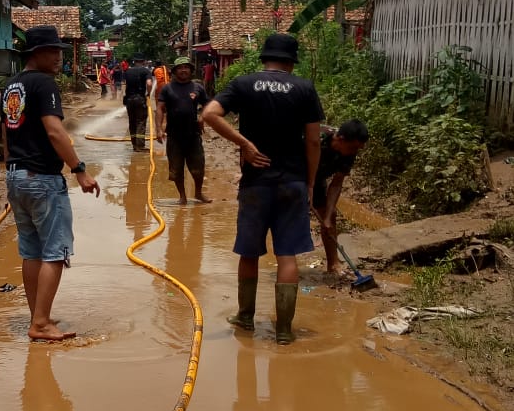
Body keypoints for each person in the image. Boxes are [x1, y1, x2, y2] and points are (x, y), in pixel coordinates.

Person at [202, 33, 323, 344]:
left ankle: (245, 317)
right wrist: (310, 182)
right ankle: (284, 330)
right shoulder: (305, 88)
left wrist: (244, 144)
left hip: (256, 183)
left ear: (265, 57)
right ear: (291, 61)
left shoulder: (243, 84)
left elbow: (209, 114)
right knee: (287, 256)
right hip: (292, 182)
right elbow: (313, 140)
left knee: (249, 252)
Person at [2, 25, 100, 343]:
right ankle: (41, 324)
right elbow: (55, 132)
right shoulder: (44, 84)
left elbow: (7, 132)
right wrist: (80, 170)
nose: (59, 56)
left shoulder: (11, 85)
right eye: (53, 51)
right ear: (37, 54)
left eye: (60, 50)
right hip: (42, 178)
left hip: (17, 175)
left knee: (31, 251)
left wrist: (10, 172)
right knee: (55, 251)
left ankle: (37, 318)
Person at [313, 119, 369, 276]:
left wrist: (328, 217)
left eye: (357, 149)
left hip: (317, 178)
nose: (354, 152)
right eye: (353, 147)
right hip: (292, 173)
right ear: (340, 139)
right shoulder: (315, 138)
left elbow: (336, 183)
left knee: (329, 217)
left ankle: (333, 264)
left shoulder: (349, 152)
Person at [156, 57, 211, 204]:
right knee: (176, 168)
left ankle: (198, 193)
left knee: (198, 167)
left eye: (186, 67)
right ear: (174, 71)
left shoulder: (197, 87)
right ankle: (182, 196)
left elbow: (208, 105)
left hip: (193, 134)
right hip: (174, 135)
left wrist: (202, 117)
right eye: (180, 68)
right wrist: (158, 129)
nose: (183, 70)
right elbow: (160, 108)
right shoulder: (167, 88)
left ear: (191, 70)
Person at [122, 54, 153, 152]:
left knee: (132, 122)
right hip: (140, 99)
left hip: (129, 100)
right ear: (143, 61)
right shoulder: (146, 71)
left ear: (134, 61)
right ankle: (140, 146)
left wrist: (124, 98)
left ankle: (134, 145)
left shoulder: (128, 71)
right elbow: (149, 83)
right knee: (140, 122)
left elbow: (124, 86)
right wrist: (148, 93)